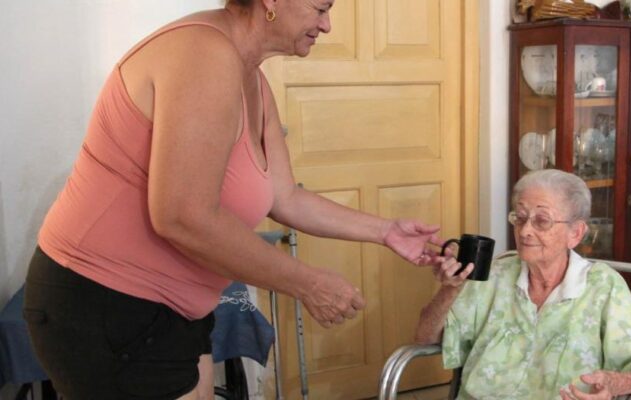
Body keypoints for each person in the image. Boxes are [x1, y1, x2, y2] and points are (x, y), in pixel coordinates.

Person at [22, 1, 444, 399]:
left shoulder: (251, 76)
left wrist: (385, 231)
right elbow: (182, 216)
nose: (327, 25)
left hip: (172, 307)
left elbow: (286, 197)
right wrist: (308, 283)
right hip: (106, 301)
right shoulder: (202, 53)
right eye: (320, 7)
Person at [415, 169, 631, 400]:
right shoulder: (494, 274)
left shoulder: (602, 286)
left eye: (541, 221)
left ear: (575, 233)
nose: (524, 231)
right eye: (520, 218)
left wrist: (616, 383)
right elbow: (425, 338)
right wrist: (450, 289)